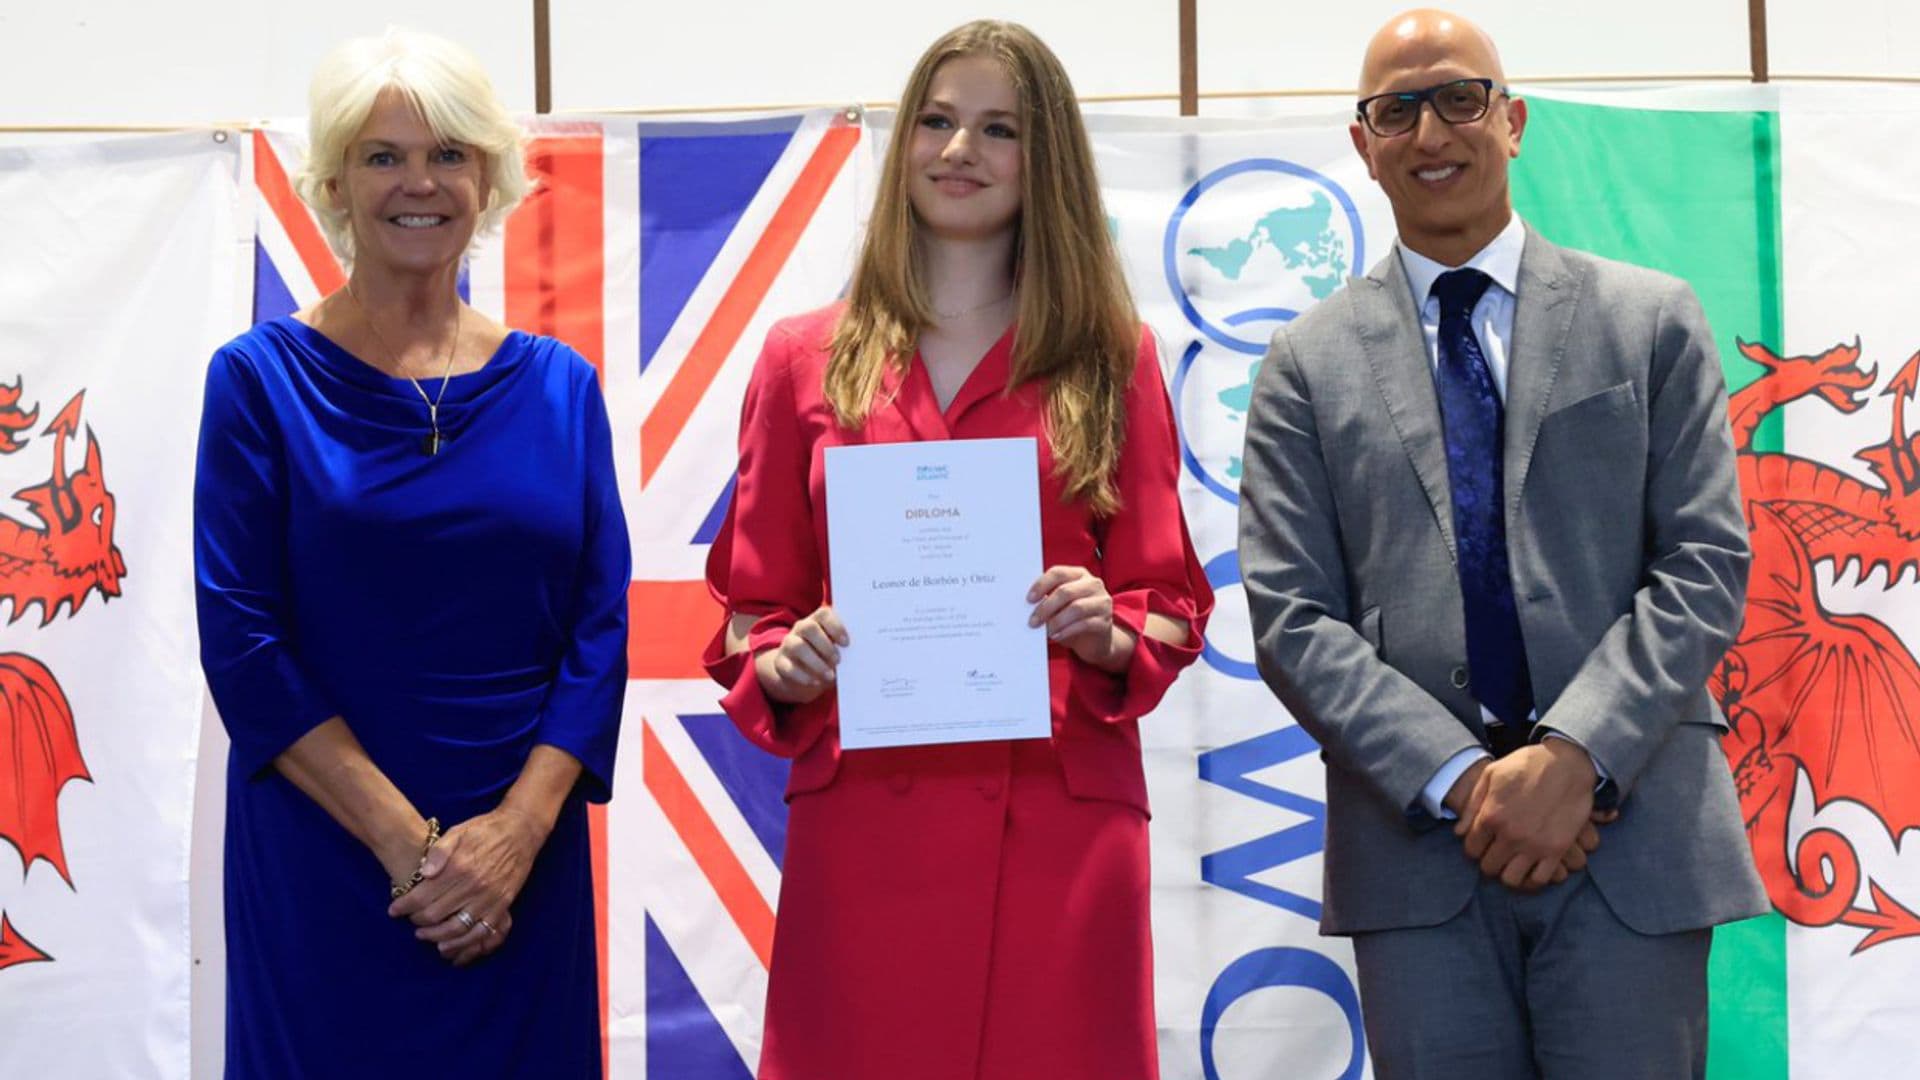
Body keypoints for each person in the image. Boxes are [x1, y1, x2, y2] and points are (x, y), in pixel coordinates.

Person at [1237, 9, 1766, 1077]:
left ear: (1513, 119)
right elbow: (1293, 619)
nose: (1431, 132)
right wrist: (1468, 784)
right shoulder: (1305, 363)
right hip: (1419, 855)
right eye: (1398, 110)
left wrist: (1574, 758)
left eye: (1459, 99)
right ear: (1363, 144)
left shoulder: (1650, 319)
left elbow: (1704, 565)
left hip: (1635, 838)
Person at [703, 20, 1212, 1080]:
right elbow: (754, 611)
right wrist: (785, 662)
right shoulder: (802, 357)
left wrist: (1105, 624)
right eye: (936, 122)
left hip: (1061, 824)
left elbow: (1167, 597)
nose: (957, 150)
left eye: (997, 129)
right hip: (867, 828)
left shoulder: (1115, 355)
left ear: (1048, 163)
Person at [194, 28, 627, 1078]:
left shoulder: (561, 385)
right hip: (327, 856)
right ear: (335, 183)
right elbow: (244, 640)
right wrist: (412, 850)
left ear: (491, 175)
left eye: (448, 155)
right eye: (383, 156)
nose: (418, 183)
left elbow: (598, 626)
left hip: (523, 861)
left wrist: (515, 838)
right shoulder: (257, 380)